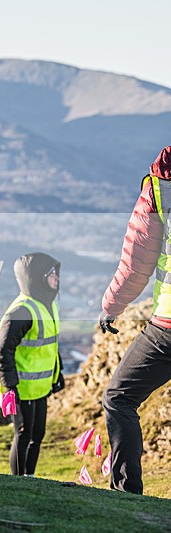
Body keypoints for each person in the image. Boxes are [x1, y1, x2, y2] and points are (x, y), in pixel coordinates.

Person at [100, 146, 171, 494]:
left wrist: (111, 307)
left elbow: (135, 264)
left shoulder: (162, 183)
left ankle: (127, 493)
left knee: (119, 398)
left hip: (168, 328)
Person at [0, 252, 64, 476]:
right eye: (51, 274)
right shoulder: (21, 311)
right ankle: (18, 482)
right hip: (20, 387)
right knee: (23, 435)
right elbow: (2, 351)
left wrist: (58, 373)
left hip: (40, 386)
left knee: (38, 434)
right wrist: (10, 386)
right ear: (37, 278)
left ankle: (30, 478)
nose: (57, 278)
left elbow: (49, 344)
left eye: (56, 274)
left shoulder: (49, 305)